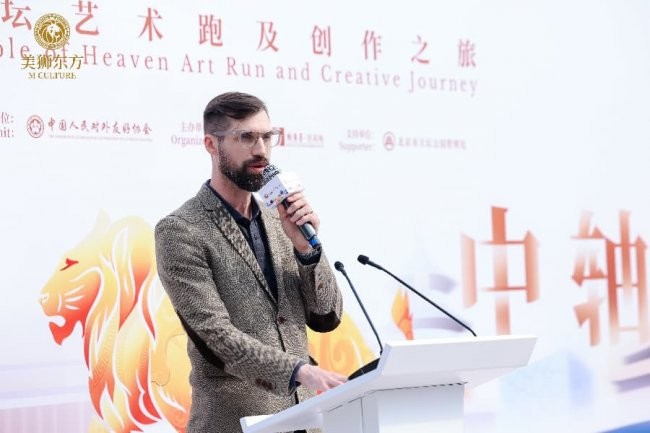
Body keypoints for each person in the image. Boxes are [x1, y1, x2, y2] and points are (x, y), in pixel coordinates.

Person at [155, 91, 347, 433]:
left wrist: (307, 251)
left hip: (306, 421)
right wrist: (298, 371)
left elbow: (326, 315)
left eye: (267, 137)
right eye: (246, 137)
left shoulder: (281, 220)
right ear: (211, 145)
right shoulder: (181, 230)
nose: (261, 150)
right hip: (234, 424)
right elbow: (215, 336)